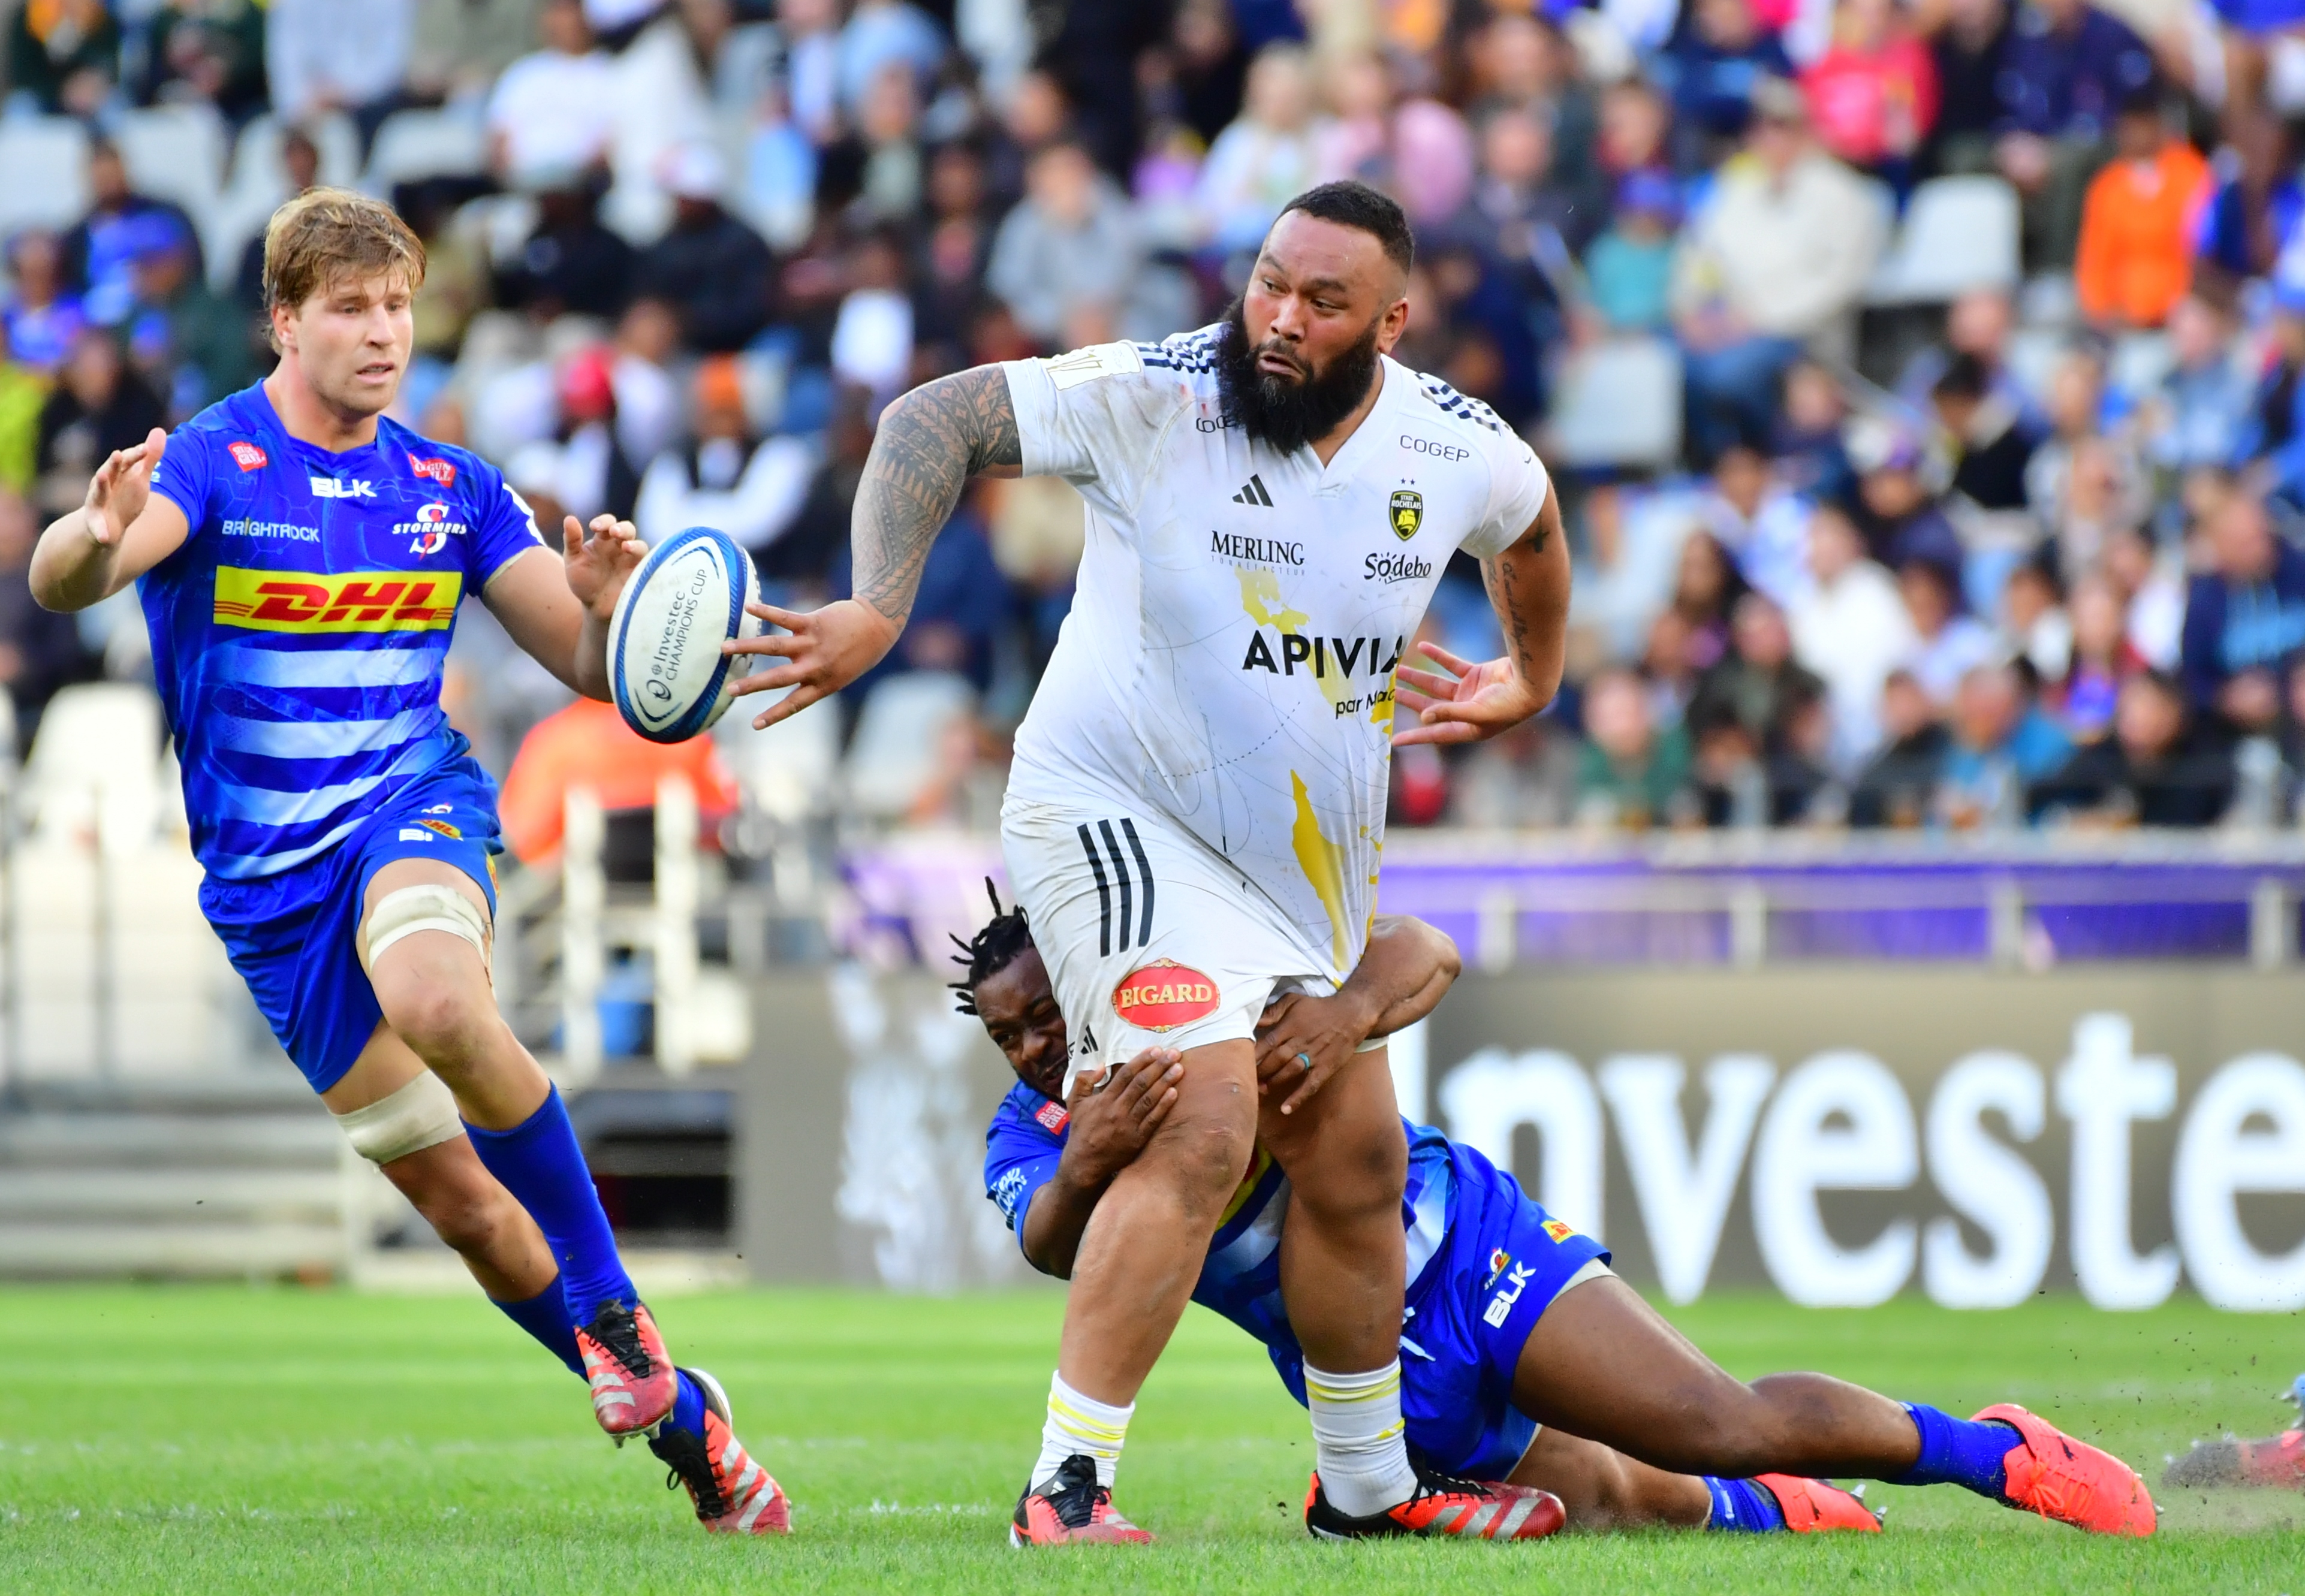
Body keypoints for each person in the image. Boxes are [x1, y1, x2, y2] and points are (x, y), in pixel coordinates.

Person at [728, 180, 1574, 1544]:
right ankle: (1066, 1491)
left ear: (1393, 324)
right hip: (1111, 812)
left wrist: (1531, 675)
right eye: (1268, 283)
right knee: (1203, 1109)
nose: (1281, 320)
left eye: (1323, 301)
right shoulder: (1158, 392)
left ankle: (1369, 1494)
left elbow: (1530, 534)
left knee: (1353, 1155)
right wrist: (879, 608)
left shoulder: (1456, 447)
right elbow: (930, 419)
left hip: (1293, 864)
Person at [25, 189, 785, 1537]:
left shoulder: (453, 487)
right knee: (481, 1227)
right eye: (353, 309)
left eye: (400, 307)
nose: (385, 335)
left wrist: (614, 609)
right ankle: (691, 1426)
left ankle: (612, 1309)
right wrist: (90, 532)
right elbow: (67, 578)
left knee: (441, 999)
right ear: (283, 319)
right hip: (270, 902)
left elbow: (590, 668)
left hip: (407, 807)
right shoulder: (204, 463)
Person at [961, 900, 2158, 1538]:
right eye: (1006, 1035)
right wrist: (1091, 1164)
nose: (1030, 1047)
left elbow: (1427, 949)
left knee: (1710, 1422)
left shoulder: (1211, 995)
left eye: (1042, 1015)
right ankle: (1776, 1516)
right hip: (1360, 1371)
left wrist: (1351, 1013)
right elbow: (1051, 1247)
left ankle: (1994, 1452)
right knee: (1625, 1503)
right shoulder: (1031, 1134)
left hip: (1465, 1251)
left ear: (1084, 970)